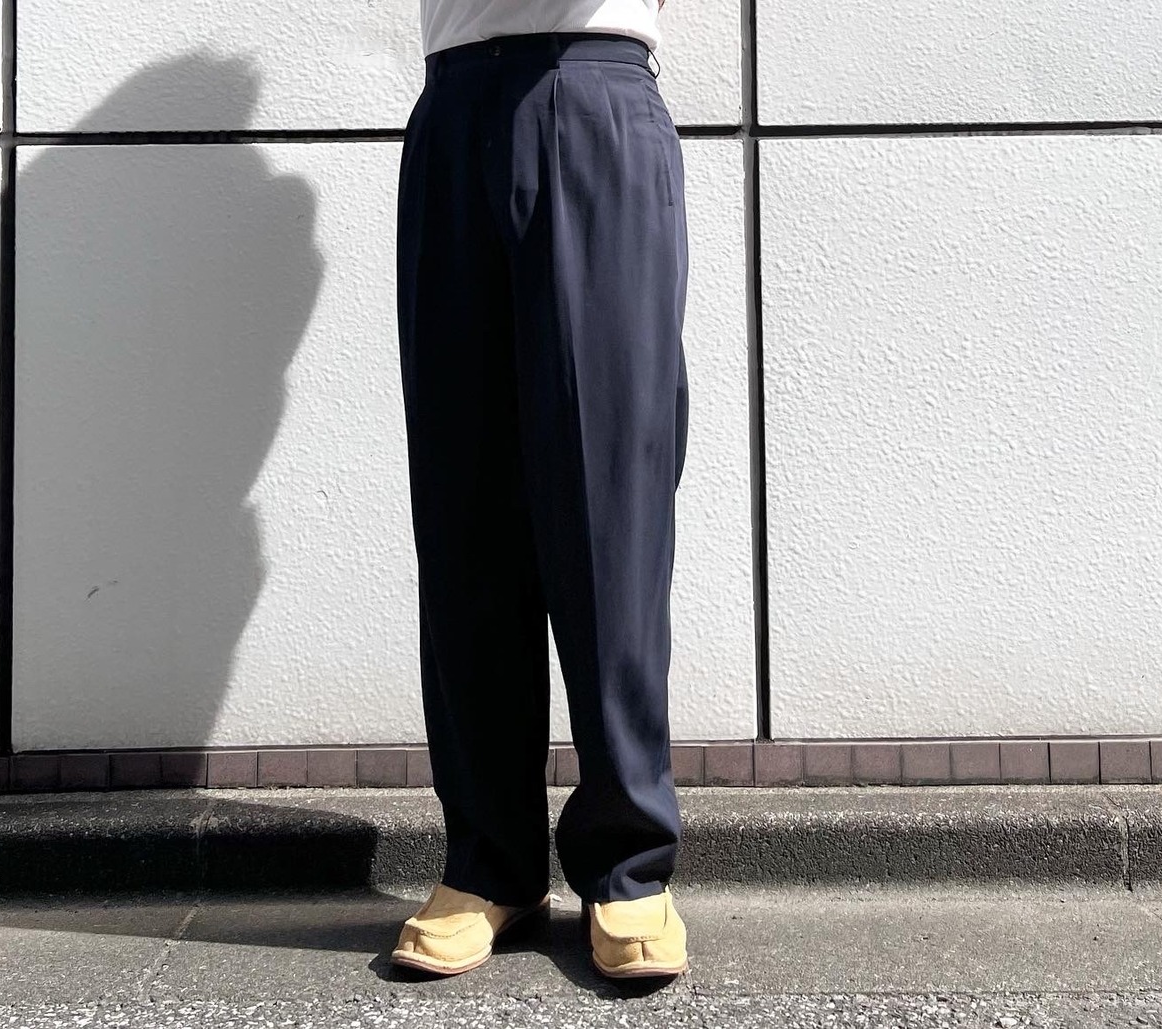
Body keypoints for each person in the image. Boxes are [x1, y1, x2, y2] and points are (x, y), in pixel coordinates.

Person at [391, 0, 690, 980]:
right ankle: (490, 862)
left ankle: (627, 863)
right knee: (463, 498)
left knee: (610, 506)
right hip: (453, 103)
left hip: (594, 85)